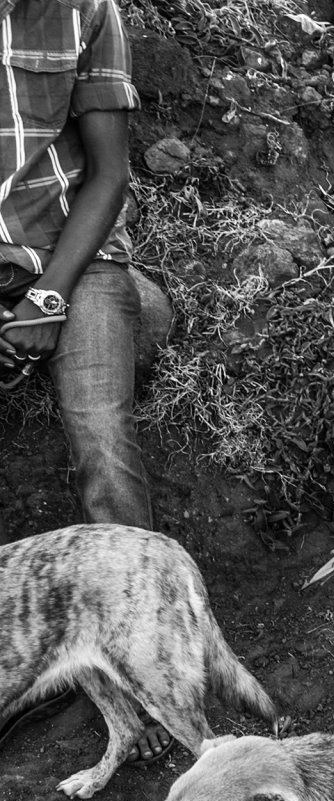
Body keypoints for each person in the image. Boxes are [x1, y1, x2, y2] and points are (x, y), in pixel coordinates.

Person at [1, 0, 173, 762]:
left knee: (101, 434)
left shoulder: (87, 11)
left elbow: (108, 173)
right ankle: (30, 669)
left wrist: (46, 299)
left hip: (76, 257)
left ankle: (154, 657)